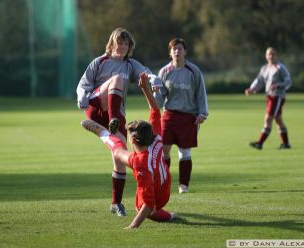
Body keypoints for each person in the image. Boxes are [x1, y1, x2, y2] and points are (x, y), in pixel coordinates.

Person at [76, 27, 159, 216]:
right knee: (117, 79)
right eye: (119, 43)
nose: (122, 46)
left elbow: (146, 73)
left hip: (116, 116)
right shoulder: (99, 62)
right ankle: (111, 119)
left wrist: (154, 80)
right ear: (112, 43)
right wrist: (81, 96)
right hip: (96, 109)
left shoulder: (130, 64)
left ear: (130, 46)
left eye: (126, 43)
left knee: (120, 156)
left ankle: (116, 203)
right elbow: (83, 85)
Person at [81, 73, 177, 229]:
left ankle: (102, 133)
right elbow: (155, 109)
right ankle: (170, 215)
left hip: (158, 196)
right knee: (121, 155)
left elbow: (148, 205)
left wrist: (132, 227)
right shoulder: (157, 137)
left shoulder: (141, 163)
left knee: (118, 153)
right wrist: (145, 88)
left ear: (133, 140)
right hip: (165, 187)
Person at [154, 38, 208, 194]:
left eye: (180, 49)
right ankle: (164, 182)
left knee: (185, 151)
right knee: (164, 148)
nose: (177, 51)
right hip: (169, 115)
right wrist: (154, 90)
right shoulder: (164, 72)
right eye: (174, 49)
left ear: (185, 52)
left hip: (188, 117)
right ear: (170, 52)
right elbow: (159, 99)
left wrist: (202, 113)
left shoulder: (194, 71)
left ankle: (183, 185)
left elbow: (201, 94)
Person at [245, 47, 292, 150]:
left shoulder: (280, 67)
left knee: (268, 118)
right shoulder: (265, 68)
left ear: (276, 56)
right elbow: (259, 80)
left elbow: (288, 81)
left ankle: (260, 143)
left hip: (278, 96)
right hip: (270, 97)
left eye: (273, 54)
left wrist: (279, 85)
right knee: (278, 119)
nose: (271, 56)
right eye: (269, 54)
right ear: (266, 56)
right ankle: (286, 144)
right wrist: (252, 89)